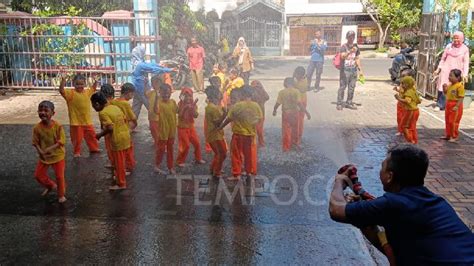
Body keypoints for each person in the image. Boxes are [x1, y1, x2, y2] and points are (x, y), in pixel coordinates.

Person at [329, 144, 474, 265]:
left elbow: (336, 210)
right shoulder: (436, 201)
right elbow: (394, 249)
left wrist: (340, 181)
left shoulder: (393, 204)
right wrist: (363, 216)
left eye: (382, 167)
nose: (380, 171)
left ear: (390, 177)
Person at [218, 86, 262, 180]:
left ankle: (236, 174)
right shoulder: (256, 105)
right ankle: (249, 172)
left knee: (236, 154)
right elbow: (259, 119)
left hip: (238, 135)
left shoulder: (237, 106)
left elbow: (229, 119)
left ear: (242, 94)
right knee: (249, 155)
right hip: (250, 135)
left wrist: (220, 127)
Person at [91, 92, 131, 190]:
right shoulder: (115, 107)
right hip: (126, 136)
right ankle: (120, 175)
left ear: (97, 104)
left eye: (93, 106)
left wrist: (99, 135)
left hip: (117, 139)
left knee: (119, 162)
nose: (93, 108)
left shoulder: (103, 112)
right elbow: (125, 120)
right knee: (121, 160)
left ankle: (121, 183)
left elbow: (110, 128)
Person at [32, 101, 67, 203]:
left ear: (53, 113)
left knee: (60, 177)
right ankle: (50, 185)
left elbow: (62, 141)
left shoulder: (58, 126)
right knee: (38, 176)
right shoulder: (37, 128)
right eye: (40, 110)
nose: (42, 113)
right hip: (44, 157)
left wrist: (49, 149)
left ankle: (61, 195)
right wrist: (40, 152)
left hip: (58, 156)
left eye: (46, 110)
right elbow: (35, 142)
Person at [59, 74, 100, 157]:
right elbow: (61, 91)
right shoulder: (70, 93)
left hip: (87, 121)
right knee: (77, 139)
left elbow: (93, 88)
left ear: (85, 84)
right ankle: (77, 151)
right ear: (73, 84)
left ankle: (94, 148)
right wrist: (63, 81)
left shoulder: (87, 92)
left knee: (91, 136)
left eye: (81, 84)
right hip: (76, 122)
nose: (80, 86)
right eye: (77, 84)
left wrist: (96, 81)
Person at [130, 45, 174, 120]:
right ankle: (160, 121)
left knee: (135, 108)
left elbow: (150, 65)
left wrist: (159, 65)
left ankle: (130, 125)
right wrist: (168, 70)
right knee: (151, 106)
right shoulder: (140, 65)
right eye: (143, 52)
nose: (143, 54)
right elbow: (152, 69)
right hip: (142, 90)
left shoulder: (136, 63)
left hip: (137, 89)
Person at [434, 31, 470, 111]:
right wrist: (438, 69)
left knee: (454, 88)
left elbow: (466, 62)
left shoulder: (465, 49)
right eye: (454, 38)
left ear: (462, 39)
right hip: (446, 70)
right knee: (443, 86)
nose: (456, 40)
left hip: (456, 72)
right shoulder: (449, 46)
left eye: (458, 38)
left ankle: (451, 105)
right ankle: (439, 105)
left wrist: (465, 74)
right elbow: (443, 59)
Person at [273, 78, 311, 152]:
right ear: (293, 84)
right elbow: (299, 103)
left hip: (286, 113)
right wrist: (306, 112)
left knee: (286, 130)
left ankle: (286, 147)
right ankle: (294, 144)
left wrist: (274, 110)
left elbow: (278, 103)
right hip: (295, 113)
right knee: (295, 129)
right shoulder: (296, 91)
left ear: (285, 84)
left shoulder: (282, 92)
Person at [176, 88, 206, 167]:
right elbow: (180, 116)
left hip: (191, 127)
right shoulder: (180, 104)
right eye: (185, 96)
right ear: (182, 97)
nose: (188, 98)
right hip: (182, 128)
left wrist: (192, 109)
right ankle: (179, 161)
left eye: (189, 96)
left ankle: (198, 158)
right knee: (185, 145)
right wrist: (185, 108)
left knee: (197, 143)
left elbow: (196, 116)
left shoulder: (194, 104)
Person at [153, 84, 178, 175]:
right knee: (161, 149)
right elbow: (156, 110)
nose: (166, 95)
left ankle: (170, 167)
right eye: (164, 93)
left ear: (171, 92)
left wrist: (186, 102)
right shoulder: (159, 103)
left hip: (172, 130)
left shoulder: (173, 102)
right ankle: (157, 165)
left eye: (168, 93)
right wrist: (156, 98)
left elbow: (178, 111)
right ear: (160, 93)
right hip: (163, 131)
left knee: (170, 149)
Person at [112, 83, 137, 171]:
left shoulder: (114, 101)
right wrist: (135, 124)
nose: (133, 96)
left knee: (119, 149)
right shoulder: (126, 104)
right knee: (128, 148)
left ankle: (122, 164)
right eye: (132, 94)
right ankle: (129, 165)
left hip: (116, 129)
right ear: (128, 92)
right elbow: (133, 117)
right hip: (125, 129)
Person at [337, 30, 364, 111]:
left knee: (352, 87)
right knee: (342, 87)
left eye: (353, 36)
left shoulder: (356, 47)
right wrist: (350, 51)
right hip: (345, 70)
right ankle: (339, 103)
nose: (351, 38)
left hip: (353, 70)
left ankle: (349, 102)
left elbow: (357, 58)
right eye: (350, 36)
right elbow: (342, 57)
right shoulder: (343, 47)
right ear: (347, 37)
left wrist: (360, 70)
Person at [205, 86, 227, 179]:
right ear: (215, 96)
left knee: (218, 153)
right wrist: (225, 114)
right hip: (215, 135)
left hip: (213, 134)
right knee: (222, 153)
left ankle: (214, 168)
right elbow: (217, 123)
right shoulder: (212, 108)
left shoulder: (211, 106)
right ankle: (216, 172)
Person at [395, 76, 421, 144]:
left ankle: (410, 140)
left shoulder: (409, 92)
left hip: (411, 111)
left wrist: (398, 98)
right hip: (414, 110)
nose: (402, 85)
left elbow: (407, 101)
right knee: (412, 126)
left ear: (407, 84)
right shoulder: (413, 90)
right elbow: (418, 100)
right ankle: (413, 140)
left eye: (403, 84)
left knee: (404, 126)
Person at [441, 69, 465, 142]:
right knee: (448, 120)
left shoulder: (459, 86)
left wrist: (457, 106)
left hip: (455, 104)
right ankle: (448, 135)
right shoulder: (450, 85)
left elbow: (461, 97)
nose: (449, 77)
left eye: (451, 76)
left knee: (453, 122)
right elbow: (445, 93)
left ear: (457, 78)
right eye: (449, 75)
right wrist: (444, 88)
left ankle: (454, 136)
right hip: (448, 103)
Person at [250, 80, 269, 148]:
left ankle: (254, 143)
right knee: (260, 129)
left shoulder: (252, 91)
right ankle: (261, 142)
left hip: (253, 113)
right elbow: (267, 97)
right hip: (261, 112)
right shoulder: (262, 91)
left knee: (253, 128)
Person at [293, 66, 309, 145]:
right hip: (302, 100)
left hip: (300, 101)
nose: (295, 75)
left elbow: (292, 84)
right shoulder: (303, 79)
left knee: (299, 120)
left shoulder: (301, 84)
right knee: (298, 119)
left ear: (300, 75)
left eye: (296, 74)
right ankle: (296, 136)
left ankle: (298, 138)